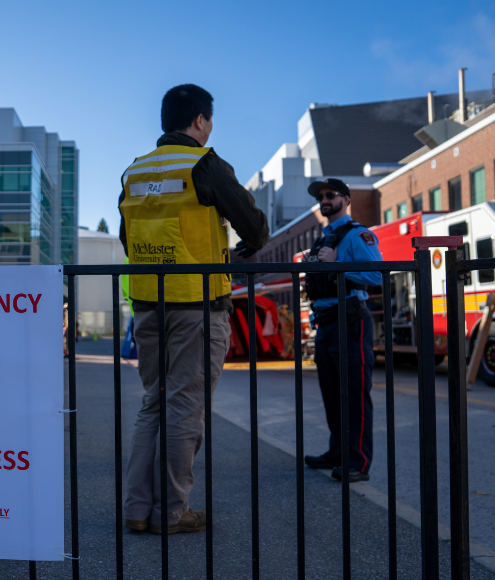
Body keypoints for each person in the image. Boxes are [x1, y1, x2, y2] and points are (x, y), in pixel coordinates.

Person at [118, 84, 269, 534]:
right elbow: (255, 228)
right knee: (184, 407)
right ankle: (171, 513)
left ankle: (137, 509)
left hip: (146, 303)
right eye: (209, 121)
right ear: (201, 120)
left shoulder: (134, 172)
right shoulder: (204, 163)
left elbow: (129, 240)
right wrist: (241, 247)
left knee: (154, 403)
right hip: (196, 305)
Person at [302, 178, 382, 483]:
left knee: (354, 394)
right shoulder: (323, 239)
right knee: (332, 394)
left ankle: (358, 463)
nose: (324, 199)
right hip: (326, 323)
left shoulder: (357, 235)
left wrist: (337, 265)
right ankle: (337, 453)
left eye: (330, 195)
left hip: (351, 322)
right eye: (321, 196)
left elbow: (377, 273)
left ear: (345, 200)